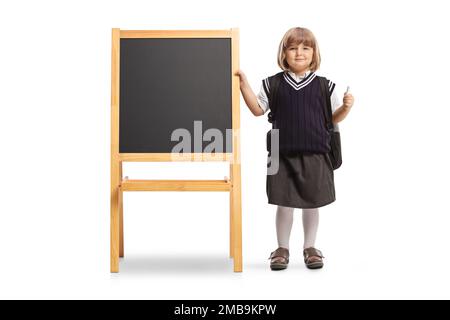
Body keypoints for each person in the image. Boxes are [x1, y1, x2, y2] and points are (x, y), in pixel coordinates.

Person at [236, 27, 354, 270]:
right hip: (280, 153)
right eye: (293, 48)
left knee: (313, 202)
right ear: (284, 53)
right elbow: (258, 110)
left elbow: (334, 118)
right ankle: (282, 248)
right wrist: (243, 85)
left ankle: (310, 247)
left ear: (314, 53)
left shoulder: (325, 86)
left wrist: (346, 107)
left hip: (316, 152)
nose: (299, 53)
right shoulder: (272, 84)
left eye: (305, 48)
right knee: (284, 202)